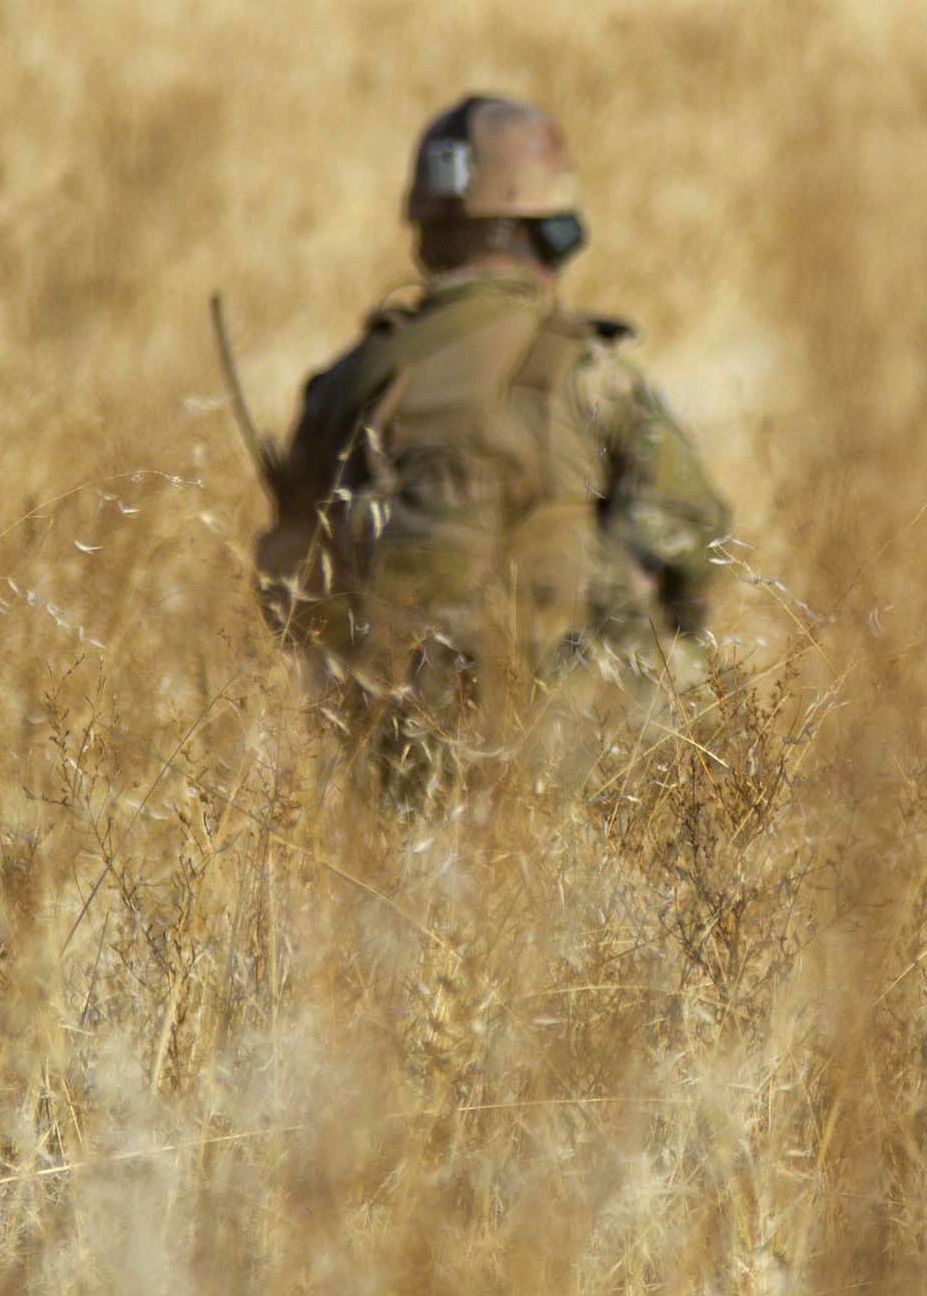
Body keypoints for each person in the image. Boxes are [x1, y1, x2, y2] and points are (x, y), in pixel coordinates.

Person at [252, 95, 733, 797]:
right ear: (552, 234)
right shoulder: (591, 373)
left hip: (388, 760)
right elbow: (696, 538)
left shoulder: (351, 380)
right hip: (569, 763)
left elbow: (290, 580)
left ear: (426, 235)